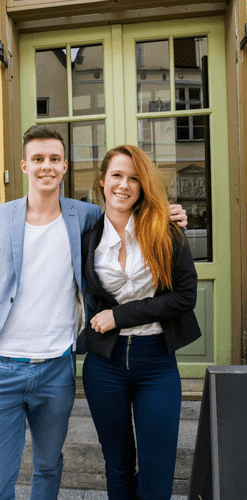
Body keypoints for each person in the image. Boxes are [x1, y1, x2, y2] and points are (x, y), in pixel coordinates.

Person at [0, 126, 187, 500]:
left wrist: (168, 214)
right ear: (24, 165)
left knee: (50, 465)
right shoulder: (0, 219)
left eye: (54, 159)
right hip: (4, 365)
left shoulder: (83, 216)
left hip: (58, 365)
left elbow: (132, 211)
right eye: (38, 159)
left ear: (66, 166)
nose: (46, 167)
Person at [81, 145, 201, 500]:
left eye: (134, 178)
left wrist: (119, 315)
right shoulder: (86, 237)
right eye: (117, 175)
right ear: (102, 181)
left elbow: (184, 296)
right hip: (105, 364)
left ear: (143, 186)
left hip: (156, 362)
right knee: (117, 462)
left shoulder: (165, 229)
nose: (124, 185)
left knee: (158, 464)